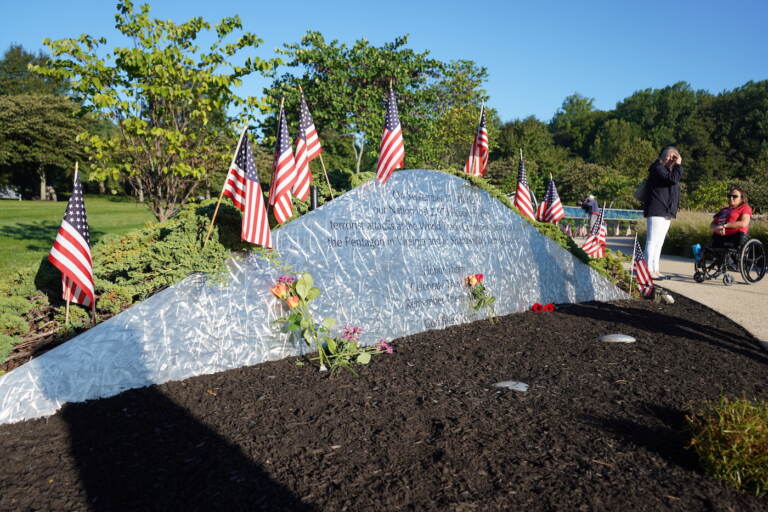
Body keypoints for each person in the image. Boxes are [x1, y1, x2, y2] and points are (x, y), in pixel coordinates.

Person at [643, 146, 683, 279]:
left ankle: (655, 269)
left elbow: (673, 183)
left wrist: (674, 167)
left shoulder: (668, 171)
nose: (673, 160)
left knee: (659, 242)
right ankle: (647, 270)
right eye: (672, 156)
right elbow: (672, 179)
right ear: (665, 156)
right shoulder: (657, 168)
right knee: (652, 241)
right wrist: (678, 166)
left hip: (667, 211)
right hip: (656, 209)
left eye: (675, 157)